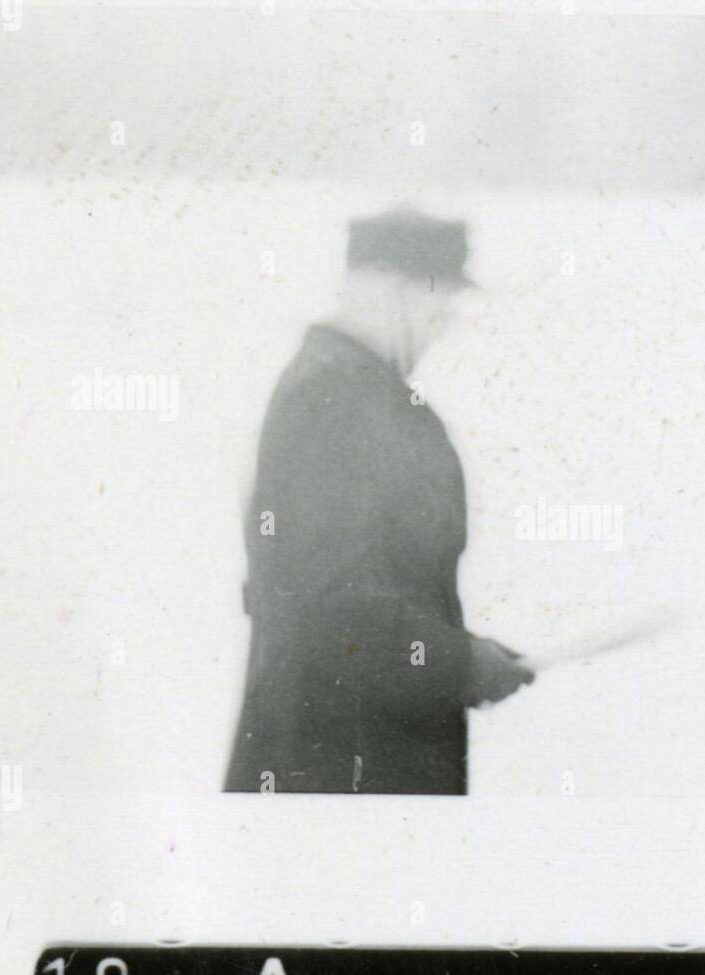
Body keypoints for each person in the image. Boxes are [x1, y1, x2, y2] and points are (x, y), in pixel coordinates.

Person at [224, 209, 534, 795]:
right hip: (338, 774)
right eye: (440, 302)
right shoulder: (338, 402)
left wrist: (459, 655)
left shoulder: (344, 390)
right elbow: (335, 608)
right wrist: (460, 664)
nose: (446, 325)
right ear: (395, 291)